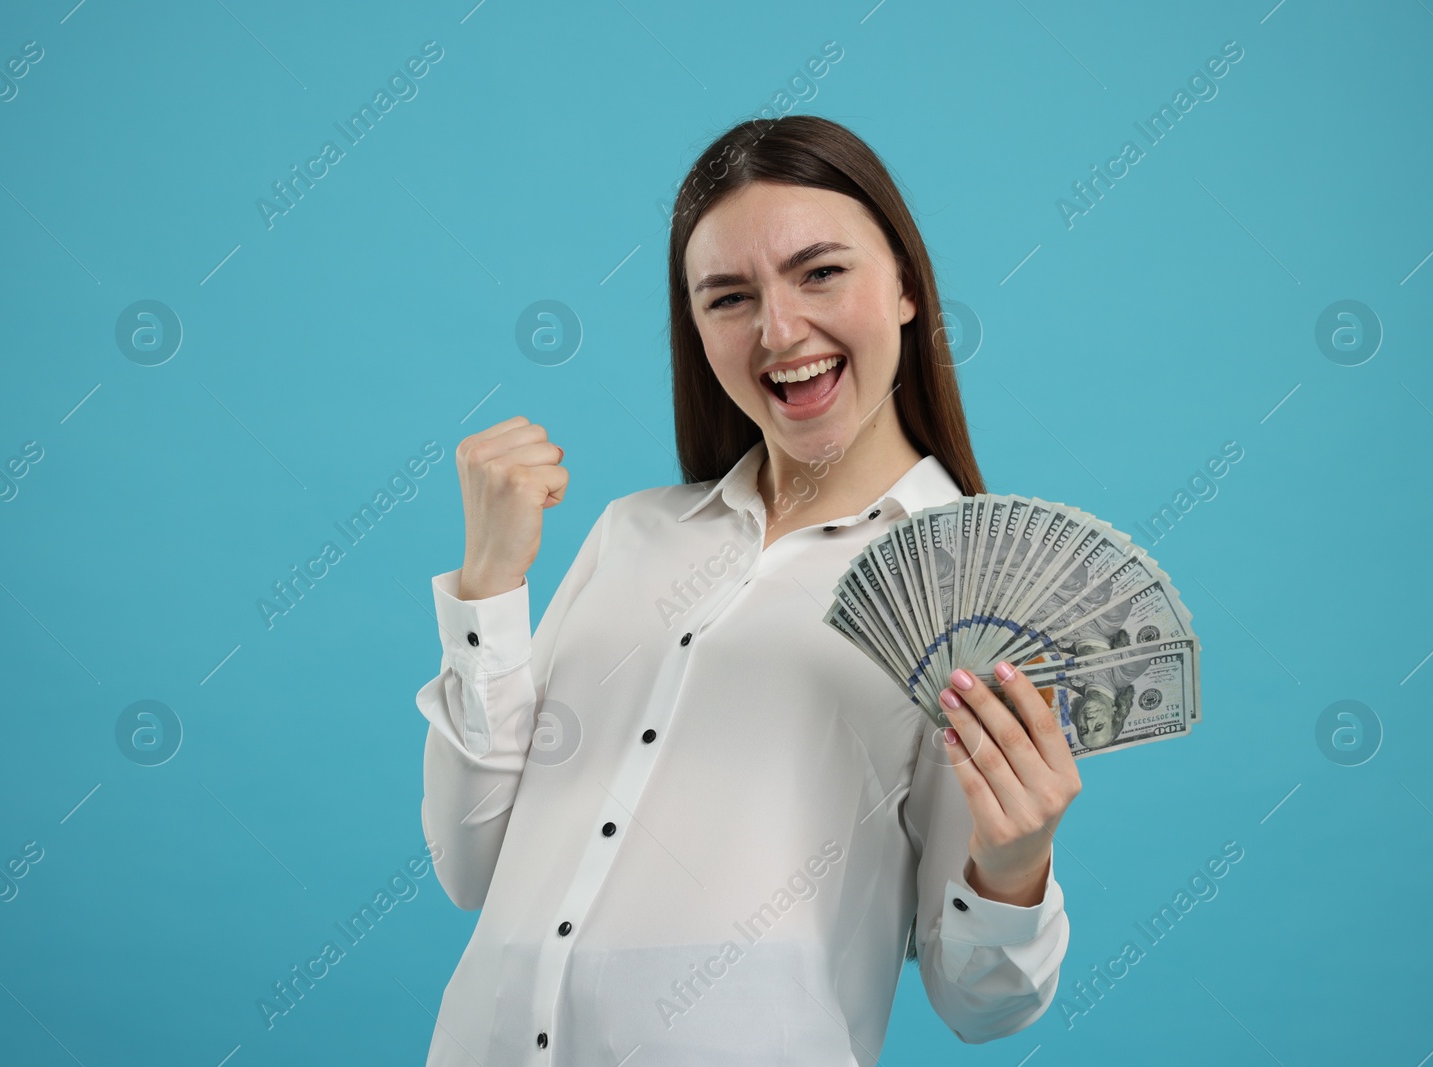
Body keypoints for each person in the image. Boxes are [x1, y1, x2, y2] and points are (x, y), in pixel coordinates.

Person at [413, 114, 1082, 1066]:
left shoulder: (972, 600)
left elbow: (981, 1003)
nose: (778, 330)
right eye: (728, 296)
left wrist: (1015, 864)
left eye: (820, 272)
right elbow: (468, 864)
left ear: (903, 285)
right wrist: (489, 586)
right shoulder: (630, 535)